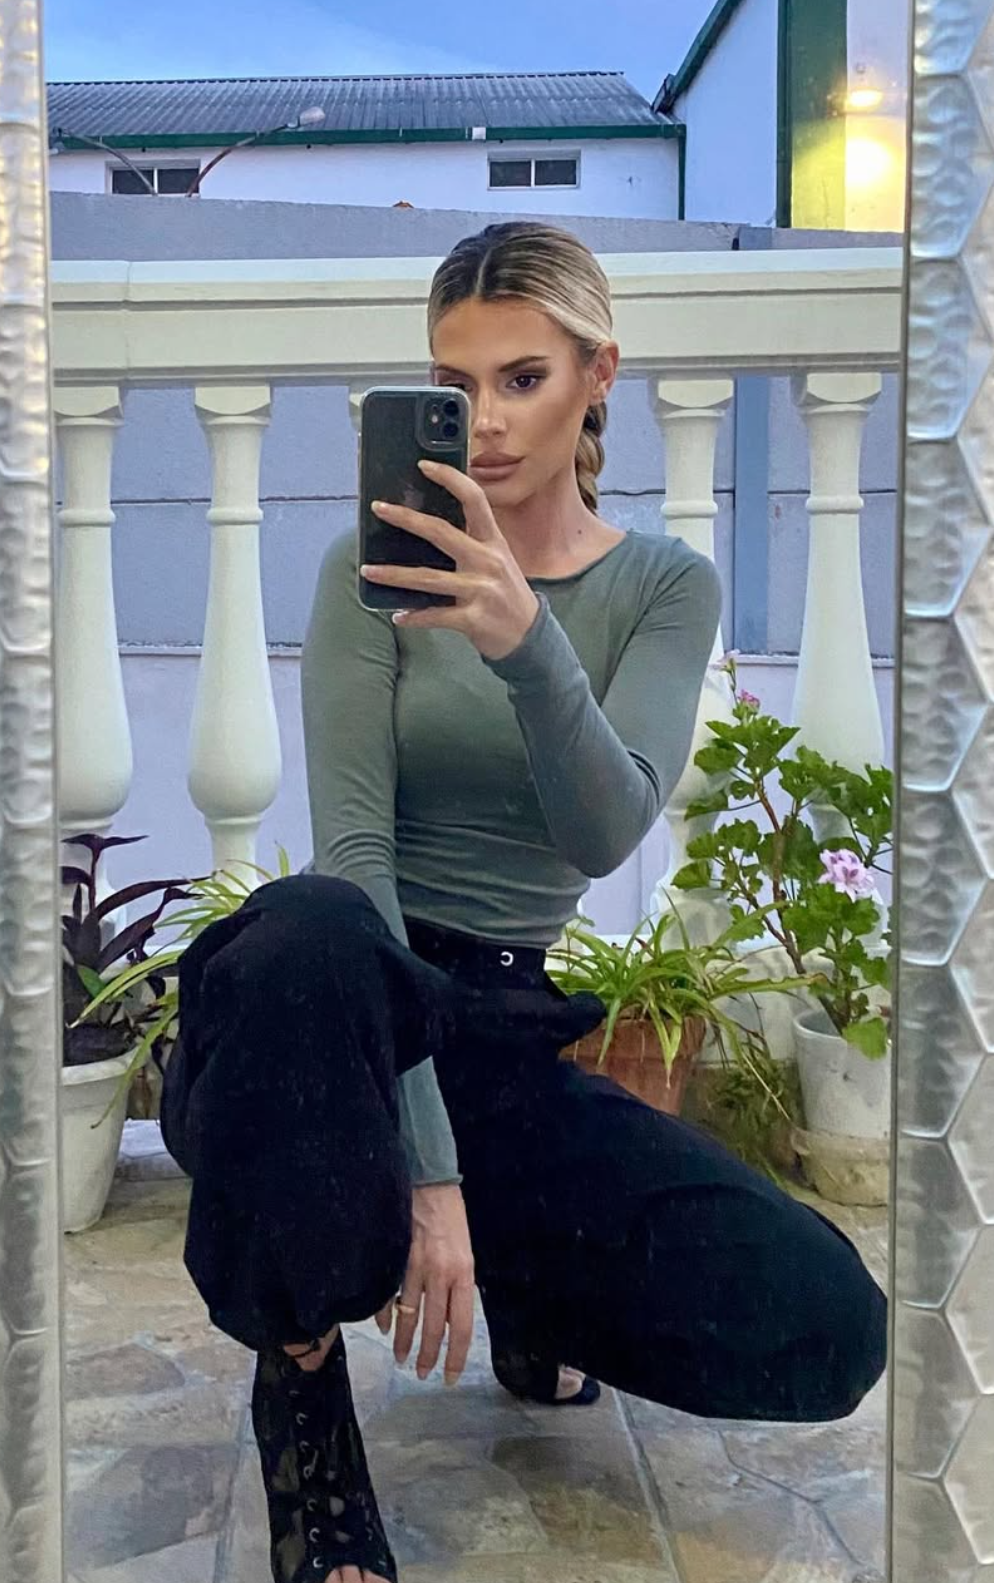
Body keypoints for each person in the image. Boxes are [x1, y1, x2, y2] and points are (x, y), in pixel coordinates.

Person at [158, 222, 888, 1583]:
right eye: (457, 383)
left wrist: (522, 636)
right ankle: (303, 1391)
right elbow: (357, 852)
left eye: (523, 379)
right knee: (309, 928)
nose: (485, 421)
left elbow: (604, 829)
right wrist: (428, 1177)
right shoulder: (370, 570)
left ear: (598, 376)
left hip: (499, 1020)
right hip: (330, 1014)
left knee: (830, 1322)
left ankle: (528, 1291)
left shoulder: (662, 587)